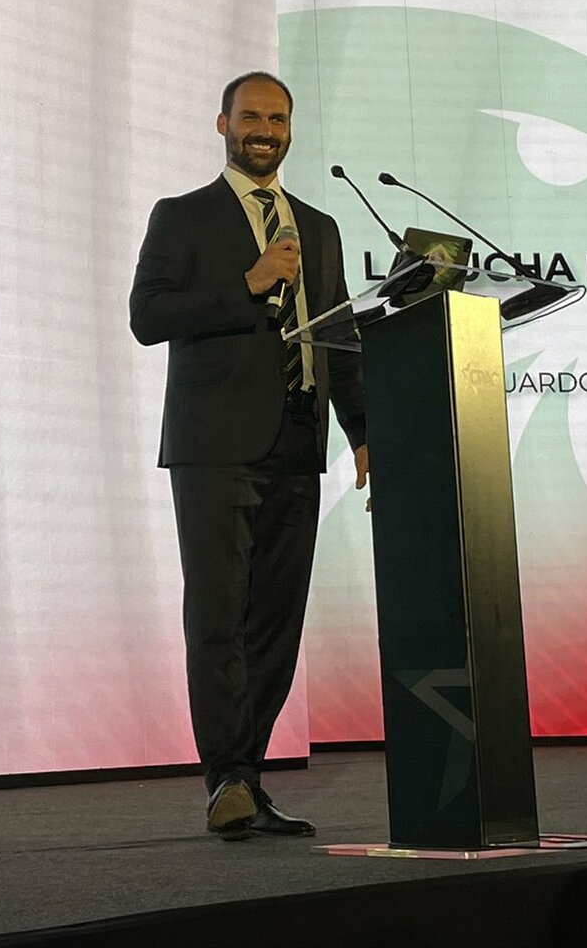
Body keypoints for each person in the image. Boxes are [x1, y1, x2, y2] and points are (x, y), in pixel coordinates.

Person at [129, 70, 370, 840]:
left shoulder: (320, 227)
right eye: (252, 117)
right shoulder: (183, 216)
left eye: (278, 119)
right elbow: (147, 316)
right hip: (214, 445)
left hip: (299, 442)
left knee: (275, 624)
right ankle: (225, 778)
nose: (265, 130)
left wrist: (362, 429)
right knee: (219, 617)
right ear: (223, 124)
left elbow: (339, 334)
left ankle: (246, 777)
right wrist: (249, 282)